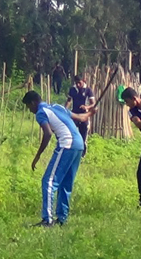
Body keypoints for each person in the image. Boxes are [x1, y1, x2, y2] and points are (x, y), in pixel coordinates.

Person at [23, 90, 96, 227]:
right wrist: (91, 113)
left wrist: (37, 156)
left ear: (33, 103)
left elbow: (47, 133)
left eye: (29, 107)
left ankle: (48, 220)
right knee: (65, 183)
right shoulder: (58, 107)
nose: (30, 110)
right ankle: (62, 218)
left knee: (48, 181)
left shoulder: (41, 112)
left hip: (66, 144)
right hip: (79, 144)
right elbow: (81, 118)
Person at [66, 75, 96, 157]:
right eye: (76, 83)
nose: (78, 85)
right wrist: (65, 110)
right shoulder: (72, 89)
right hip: (74, 115)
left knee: (83, 135)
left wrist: (87, 107)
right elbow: (69, 100)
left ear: (84, 80)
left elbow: (93, 103)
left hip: (84, 116)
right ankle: (72, 151)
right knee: (72, 133)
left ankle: (82, 154)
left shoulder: (88, 90)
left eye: (79, 83)